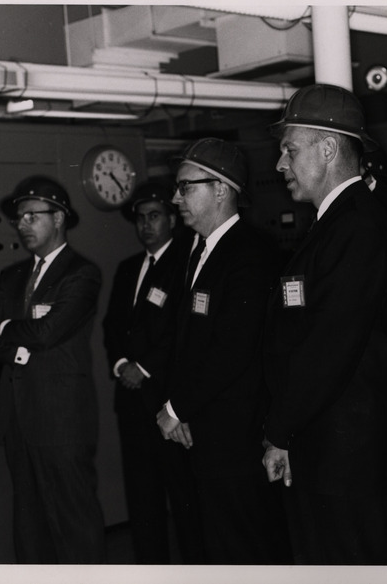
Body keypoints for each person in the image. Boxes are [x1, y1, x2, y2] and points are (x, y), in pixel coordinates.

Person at [261, 84, 387, 564]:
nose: (281, 164)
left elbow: (327, 346)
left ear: (327, 148)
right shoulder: (336, 225)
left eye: (290, 149)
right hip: (328, 451)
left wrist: (279, 431)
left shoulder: (356, 228)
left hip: (346, 461)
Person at [156, 138, 282, 564]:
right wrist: (182, 410)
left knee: (243, 551)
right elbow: (187, 343)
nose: (176, 199)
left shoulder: (249, 253)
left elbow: (232, 349)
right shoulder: (199, 251)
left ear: (222, 190)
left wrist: (176, 408)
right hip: (204, 436)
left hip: (235, 441)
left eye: (186, 187)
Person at [0, 175, 105, 564]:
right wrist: (16, 344)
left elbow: (48, 333)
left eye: (33, 216)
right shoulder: (13, 277)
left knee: (74, 523)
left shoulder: (81, 273)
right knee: (31, 528)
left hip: (62, 421)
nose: (23, 225)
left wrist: (8, 329)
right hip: (19, 420)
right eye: (20, 218)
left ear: (60, 217)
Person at [102, 180, 203, 564]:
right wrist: (121, 365)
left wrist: (143, 368)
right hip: (131, 405)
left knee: (185, 502)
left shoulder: (186, 262)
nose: (146, 225)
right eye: (141, 218)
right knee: (143, 504)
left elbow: (181, 331)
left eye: (155, 216)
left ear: (172, 219)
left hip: (168, 404)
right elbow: (112, 327)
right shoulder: (129, 268)